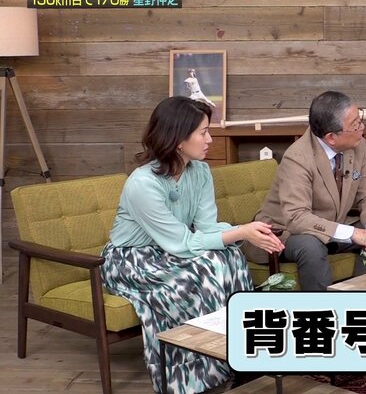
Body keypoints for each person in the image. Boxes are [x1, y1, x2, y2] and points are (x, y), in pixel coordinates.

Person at [100, 96, 284, 394]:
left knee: (231, 257)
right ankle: (197, 373)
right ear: (177, 139)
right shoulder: (142, 184)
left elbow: (208, 228)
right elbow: (182, 243)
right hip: (131, 260)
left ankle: (241, 353)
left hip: (170, 251)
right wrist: (241, 231)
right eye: (203, 132)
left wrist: (246, 232)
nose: (210, 139)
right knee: (203, 270)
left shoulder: (199, 171)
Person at [254, 90, 366, 290]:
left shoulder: (358, 145)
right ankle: (321, 306)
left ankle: (361, 300)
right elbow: (297, 217)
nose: (362, 127)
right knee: (311, 247)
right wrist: (354, 233)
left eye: (360, 119)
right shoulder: (298, 158)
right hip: (287, 231)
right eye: (355, 124)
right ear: (331, 137)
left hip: (332, 225)